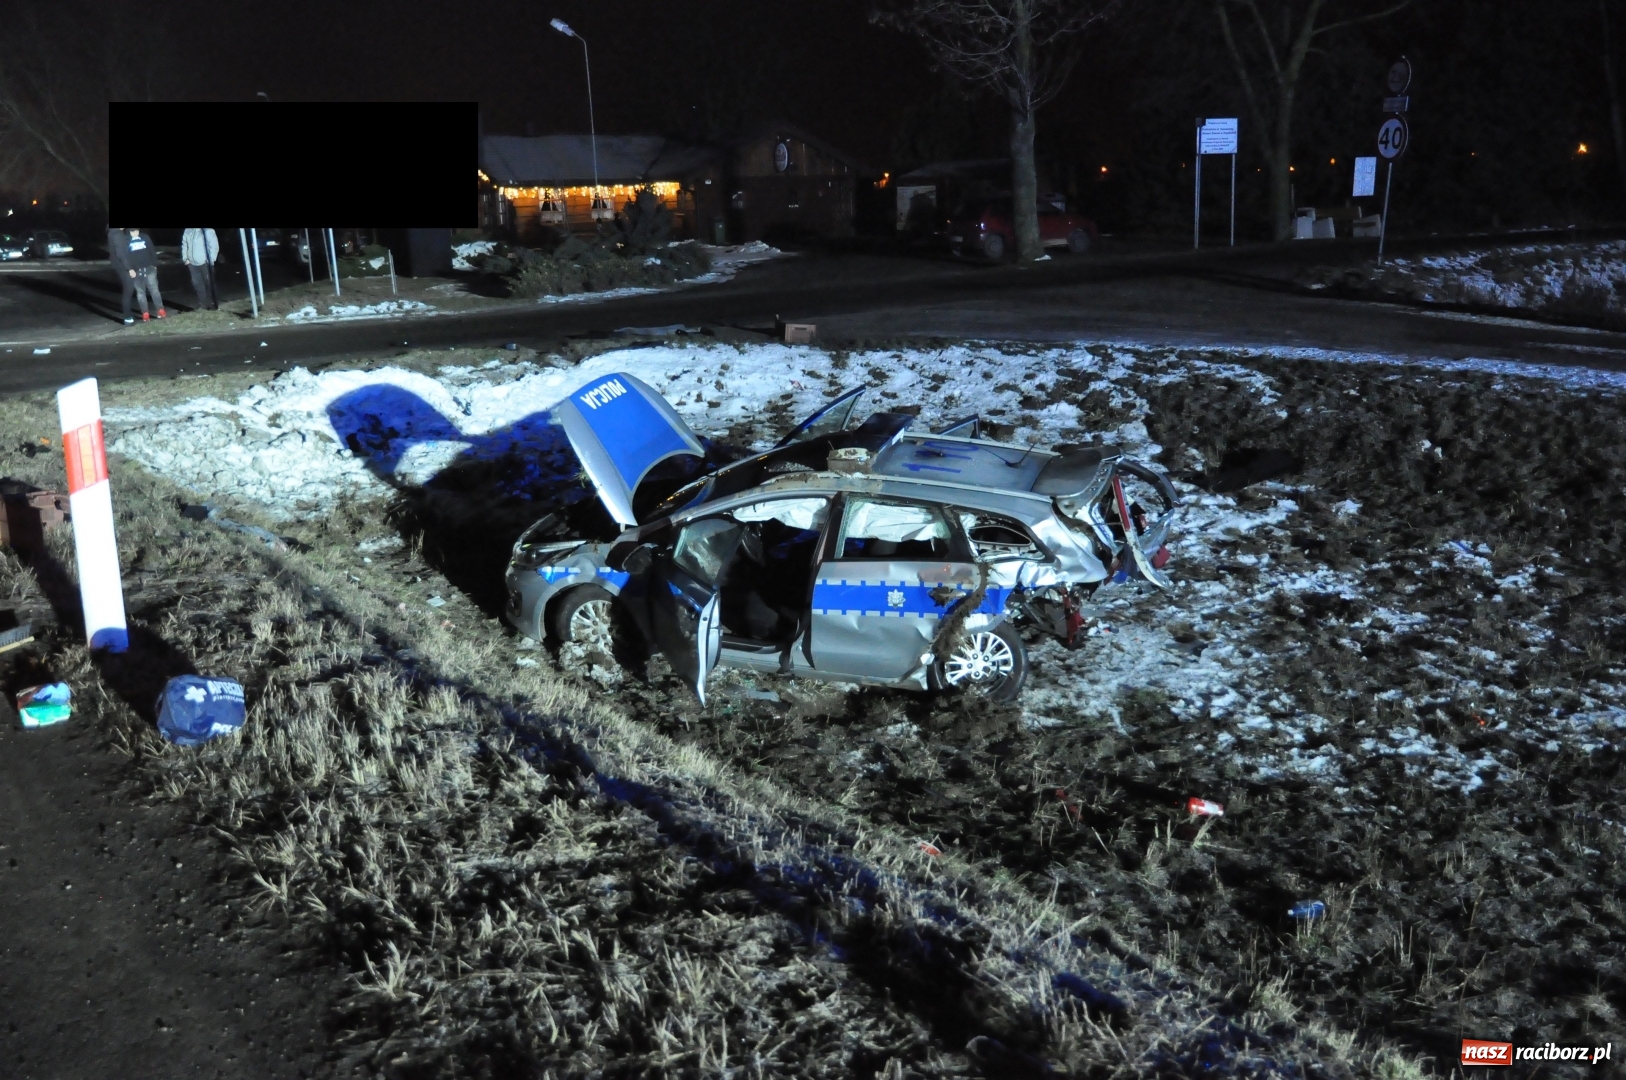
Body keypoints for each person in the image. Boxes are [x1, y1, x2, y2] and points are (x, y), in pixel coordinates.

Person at [107, 227, 164, 324]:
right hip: (136, 270)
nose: (135, 233)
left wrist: (154, 264)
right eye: (132, 231)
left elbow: (152, 251)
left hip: (148, 268)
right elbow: (124, 255)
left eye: (136, 230)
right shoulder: (124, 238)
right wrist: (130, 268)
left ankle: (160, 310)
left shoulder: (144, 237)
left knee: (154, 290)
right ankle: (144, 314)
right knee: (140, 292)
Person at [180, 227, 219, 310]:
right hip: (192, 264)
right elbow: (184, 244)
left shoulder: (208, 231)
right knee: (198, 285)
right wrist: (185, 258)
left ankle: (213, 304)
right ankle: (203, 304)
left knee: (209, 284)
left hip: (205, 263)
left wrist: (210, 260)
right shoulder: (187, 230)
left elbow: (214, 246)